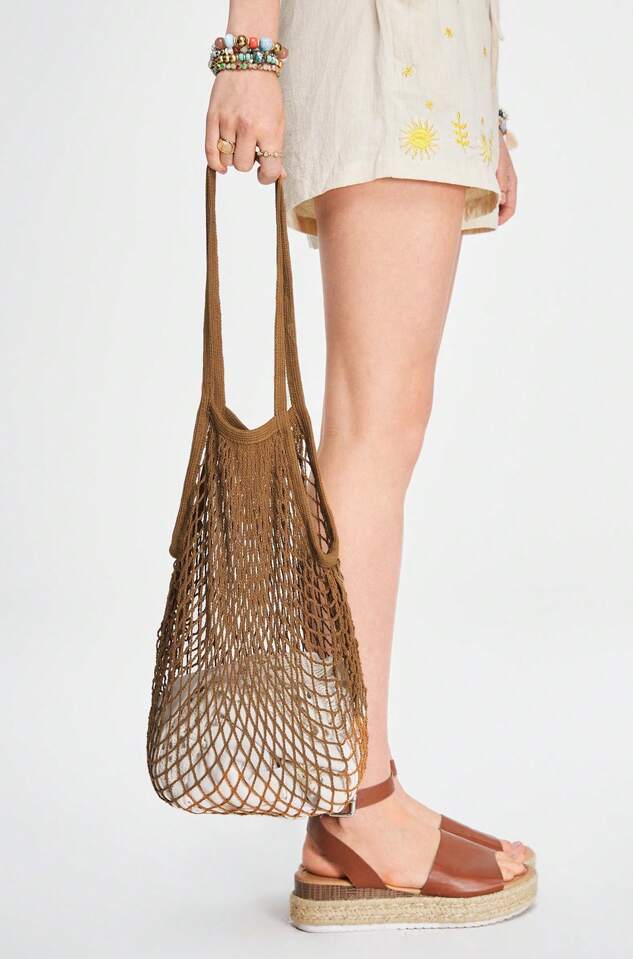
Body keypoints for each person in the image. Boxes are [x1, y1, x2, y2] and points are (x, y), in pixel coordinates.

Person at [205, 0, 533, 931]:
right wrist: (248, 49)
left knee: (384, 419)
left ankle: (356, 792)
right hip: (390, 45)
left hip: (429, 56)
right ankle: (356, 801)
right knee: (374, 423)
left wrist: (485, 103)